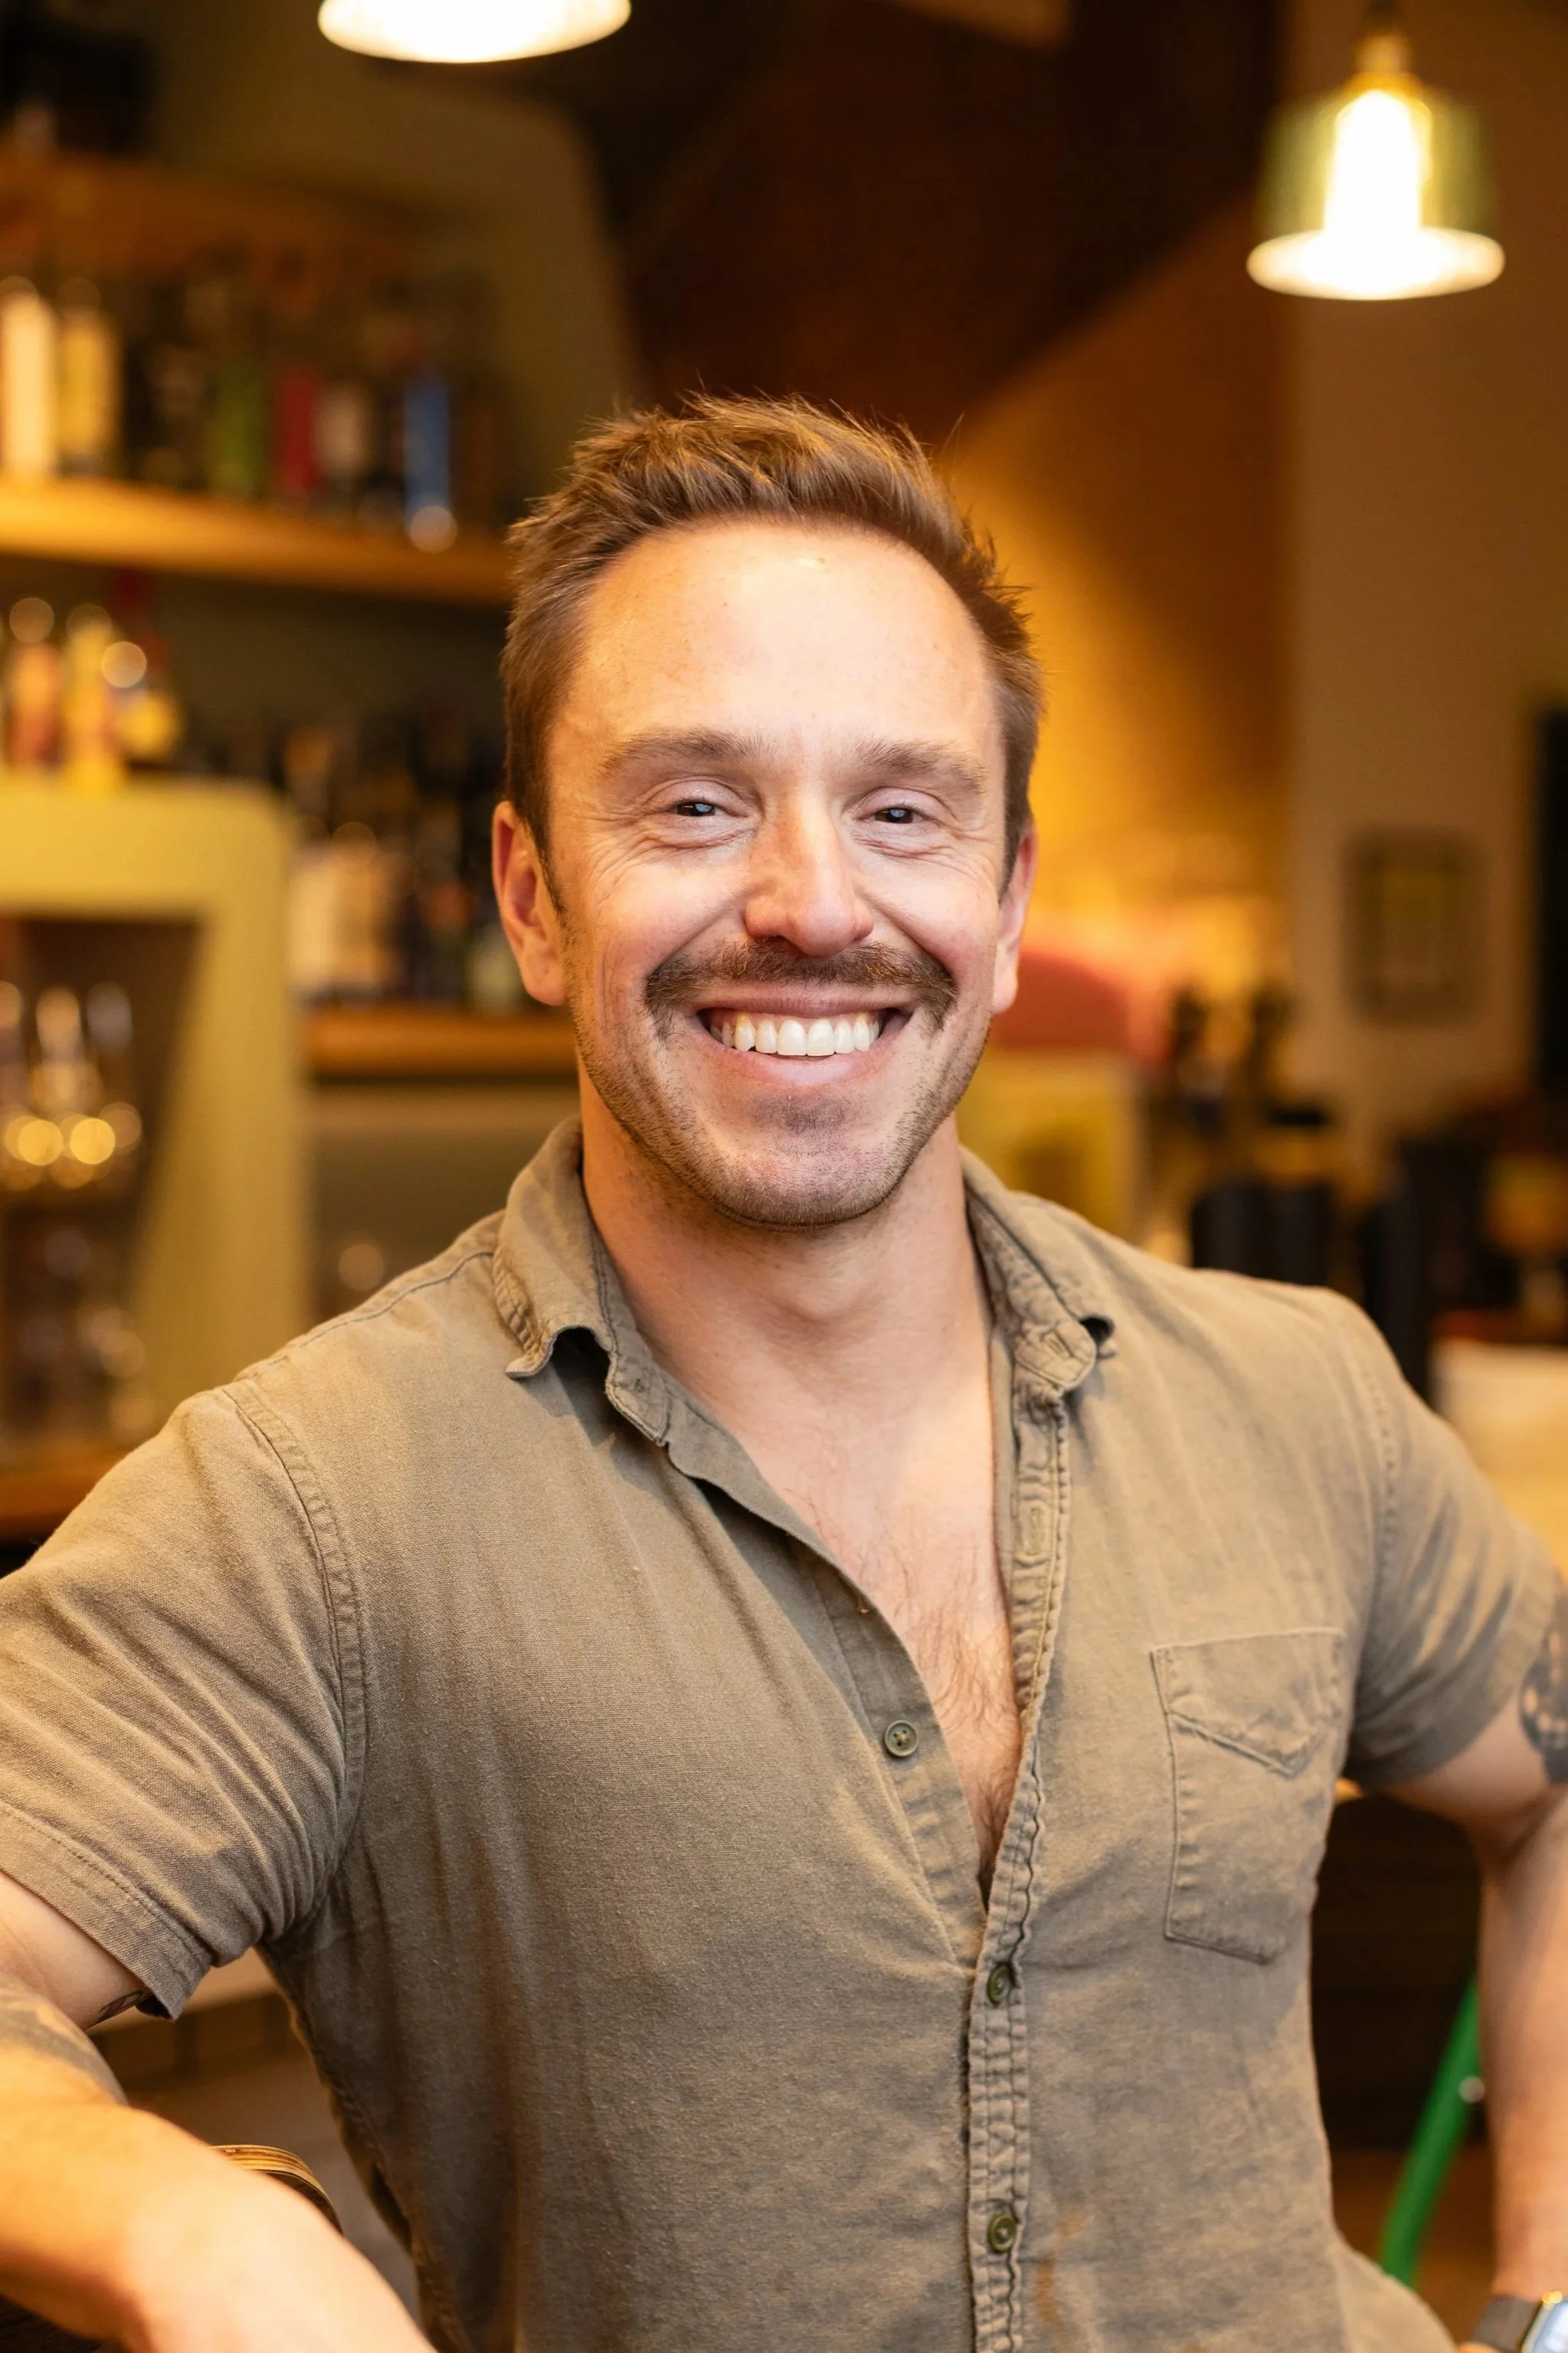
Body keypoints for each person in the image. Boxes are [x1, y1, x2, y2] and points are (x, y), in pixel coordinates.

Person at [0, 396, 1563, 2353]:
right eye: (695, 802)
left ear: (1004, 905)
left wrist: (1550, 2300)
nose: (816, 900)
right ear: (530, 893)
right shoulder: (313, 1510)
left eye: (905, 808)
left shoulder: (1289, 1389)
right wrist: (190, 2229)